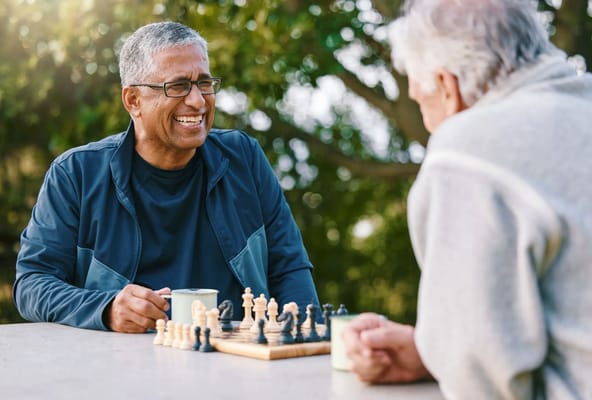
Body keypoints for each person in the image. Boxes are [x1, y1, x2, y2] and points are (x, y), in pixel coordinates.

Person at [342, 0, 592, 398]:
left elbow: (485, 383)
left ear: (446, 87)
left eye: (420, 99)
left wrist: (459, 362)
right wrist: (433, 353)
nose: (426, 121)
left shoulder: (468, 147)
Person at [14, 21, 320, 333]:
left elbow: (289, 267)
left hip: (237, 362)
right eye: (177, 86)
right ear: (133, 101)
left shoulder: (245, 158)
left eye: (204, 83)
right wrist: (105, 309)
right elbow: (32, 284)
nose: (198, 101)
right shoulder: (76, 173)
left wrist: (306, 340)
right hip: (119, 368)